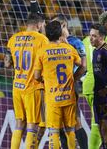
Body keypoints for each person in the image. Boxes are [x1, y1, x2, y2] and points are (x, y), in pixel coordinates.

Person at [5, 0, 48, 149]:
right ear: (38, 25)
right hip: (32, 87)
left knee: (18, 124)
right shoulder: (41, 39)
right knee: (32, 125)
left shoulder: (13, 38)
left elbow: (7, 63)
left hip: (17, 87)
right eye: (42, 25)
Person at [34, 20, 86, 149]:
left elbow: (36, 76)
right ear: (60, 34)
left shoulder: (42, 51)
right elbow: (82, 66)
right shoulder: (69, 49)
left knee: (54, 133)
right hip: (69, 97)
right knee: (70, 131)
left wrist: (45, 80)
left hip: (52, 98)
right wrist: (74, 78)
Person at [82, 11, 107, 149]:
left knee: (97, 123)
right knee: (100, 125)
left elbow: (81, 62)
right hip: (100, 87)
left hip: (88, 85)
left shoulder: (86, 40)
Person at [52, 15, 88, 149]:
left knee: (76, 122)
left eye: (54, 25)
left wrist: (73, 79)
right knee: (60, 124)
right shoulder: (51, 42)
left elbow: (83, 66)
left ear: (63, 26)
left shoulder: (76, 42)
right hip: (54, 88)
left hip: (69, 89)